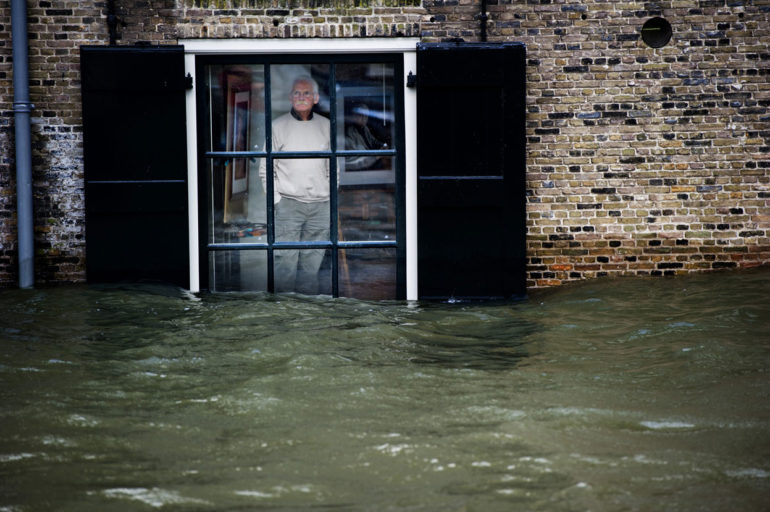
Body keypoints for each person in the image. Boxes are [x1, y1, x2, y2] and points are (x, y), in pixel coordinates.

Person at [259, 76, 330, 294]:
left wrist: (330, 193)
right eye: (297, 93)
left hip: (321, 205)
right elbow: (265, 169)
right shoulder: (278, 126)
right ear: (290, 97)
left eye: (306, 93)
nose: (301, 97)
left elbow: (333, 167)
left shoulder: (326, 126)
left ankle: (308, 309)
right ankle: (283, 309)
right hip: (289, 204)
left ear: (316, 98)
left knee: (312, 265)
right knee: (285, 263)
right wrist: (277, 201)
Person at [344, 103, 387, 170]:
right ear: (354, 116)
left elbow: (373, 141)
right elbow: (356, 160)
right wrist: (376, 156)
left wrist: (383, 145)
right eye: (361, 116)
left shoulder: (364, 128)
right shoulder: (349, 133)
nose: (364, 118)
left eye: (366, 116)